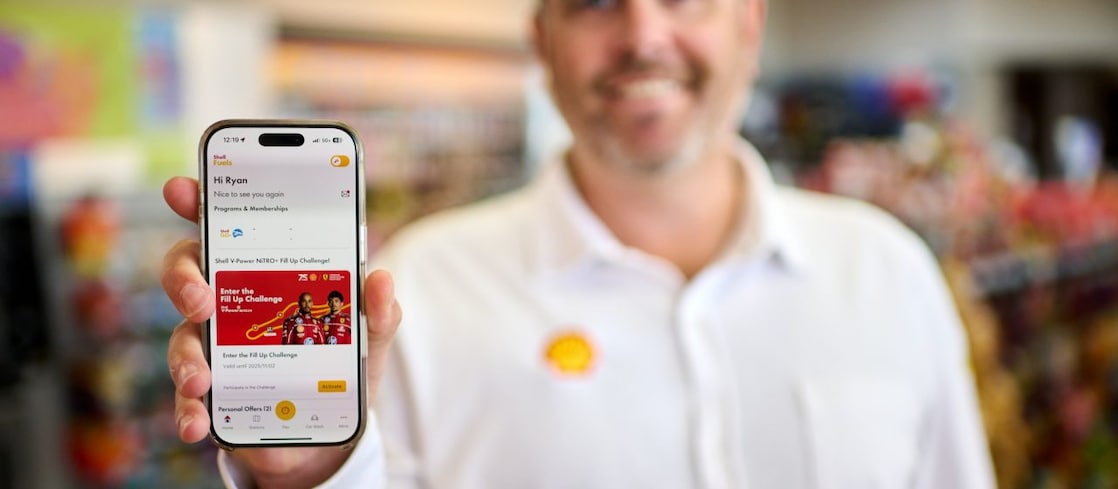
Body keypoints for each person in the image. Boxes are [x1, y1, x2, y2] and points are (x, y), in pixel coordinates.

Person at [161, 0, 996, 487]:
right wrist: (311, 473)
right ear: (542, 41)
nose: (642, 33)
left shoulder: (888, 273)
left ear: (749, 19)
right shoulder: (418, 291)